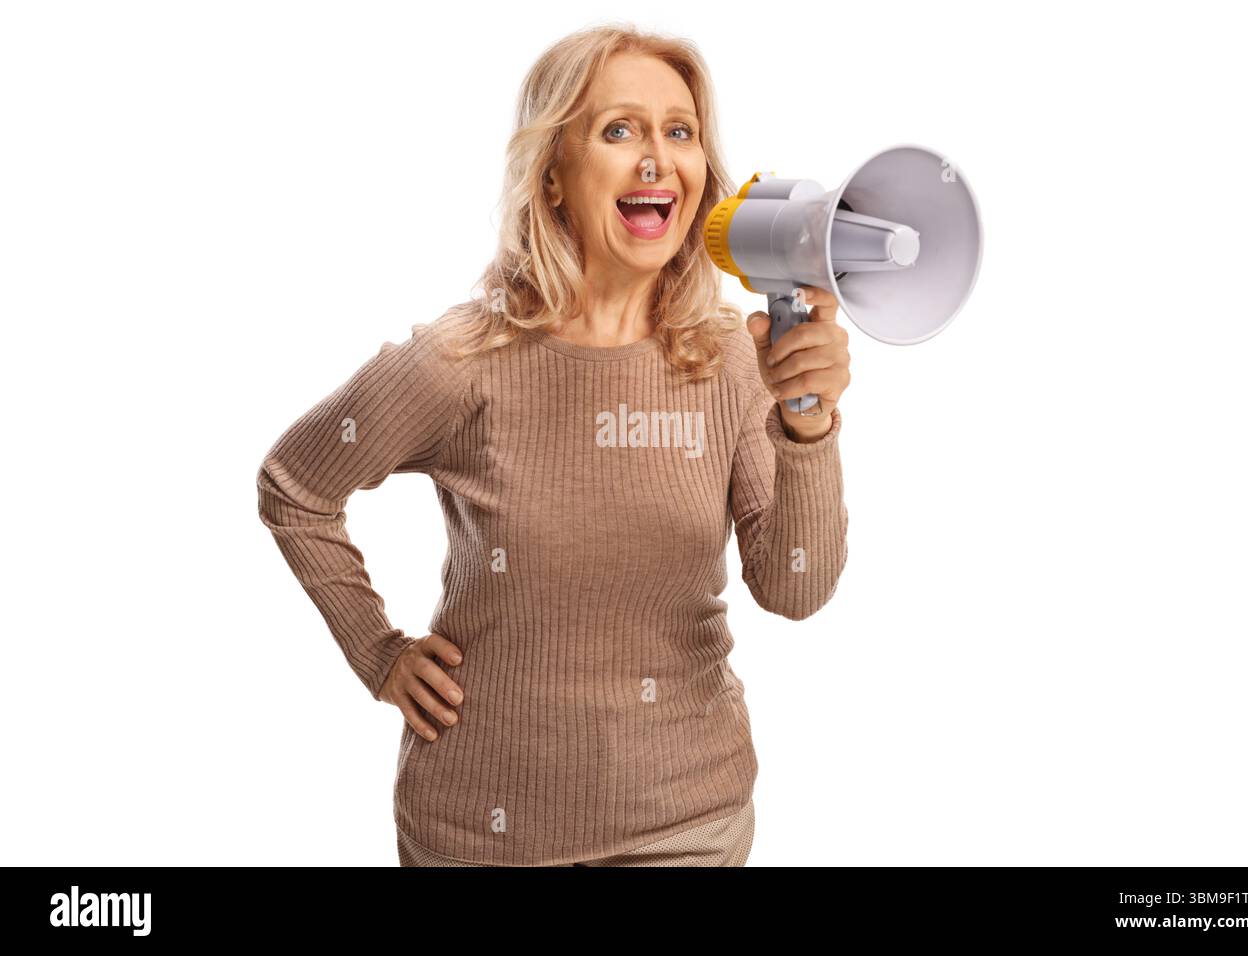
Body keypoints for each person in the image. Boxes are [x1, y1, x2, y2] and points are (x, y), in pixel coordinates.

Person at [256, 23, 851, 867]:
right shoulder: (460, 361)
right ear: (555, 178)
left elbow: (796, 588)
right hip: (476, 833)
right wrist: (378, 651)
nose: (656, 158)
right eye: (619, 130)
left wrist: (807, 424)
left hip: (685, 828)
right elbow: (294, 486)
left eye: (678, 132)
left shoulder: (730, 364)